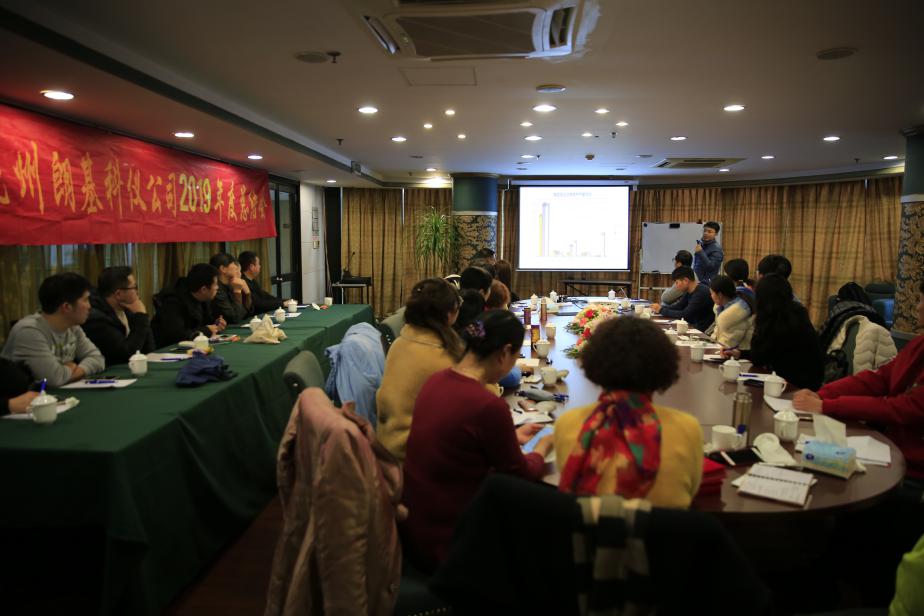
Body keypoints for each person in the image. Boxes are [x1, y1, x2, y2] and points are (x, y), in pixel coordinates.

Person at [402, 310, 552, 569]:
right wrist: (543, 446)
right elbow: (520, 474)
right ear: (505, 352)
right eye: (515, 357)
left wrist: (510, 438)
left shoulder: (436, 381)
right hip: (453, 541)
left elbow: (459, 448)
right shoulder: (487, 405)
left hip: (416, 527)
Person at [554, 317, 703, 507]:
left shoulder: (567, 423)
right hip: (661, 527)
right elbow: (692, 494)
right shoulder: (687, 428)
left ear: (594, 362)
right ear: (664, 366)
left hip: (584, 526)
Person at [793, 280, 924, 478]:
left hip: (913, 470)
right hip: (892, 450)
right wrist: (821, 394)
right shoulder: (919, 344)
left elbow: (902, 408)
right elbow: (879, 379)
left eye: (921, 301)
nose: (918, 307)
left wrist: (827, 406)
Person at [376, 278, 462, 461]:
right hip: (413, 454)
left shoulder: (399, 343)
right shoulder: (441, 356)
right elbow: (480, 396)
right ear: (448, 314)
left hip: (388, 443)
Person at [1, 273, 105, 387]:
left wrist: (74, 369)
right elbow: (53, 379)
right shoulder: (29, 331)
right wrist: (71, 369)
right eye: (85, 300)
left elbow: (97, 358)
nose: (89, 306)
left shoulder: (72, 327)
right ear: (67, 307)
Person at [723, 274, 823, 390]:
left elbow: (759, 357)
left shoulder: (777, 320)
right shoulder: (797, 313)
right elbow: (764, 353)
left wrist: (759, 323)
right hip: (808, 383)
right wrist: (740, 353)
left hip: (793, 386)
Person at [82, 266, 155, 365]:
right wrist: (141, 317)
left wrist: (142, 316)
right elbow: (126, 354)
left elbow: (149, 349)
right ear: (118, 294)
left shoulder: (127, 308)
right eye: (134, 287)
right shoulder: (96, 320)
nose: (137, 292)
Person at [151, 263, 226, 347]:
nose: (217, 287)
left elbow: (205, 322)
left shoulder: (202, 297)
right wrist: (206, 331)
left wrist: (216, 324)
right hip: (168, 348)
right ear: (204, 289)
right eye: (215, 284)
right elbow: (177, 334)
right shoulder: (173, 301)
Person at [651, 266, 715, 332]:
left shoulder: (701, 293)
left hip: (702, 331)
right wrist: (660, 308)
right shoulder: (689, 291)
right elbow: (678, 306)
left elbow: (684, 315)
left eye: (677, 282)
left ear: (685, 281)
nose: (676, 286)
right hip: (692, 327)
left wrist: (661, 310)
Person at [708, 275, 755, 350]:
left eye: (712, 293)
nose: (711, 296)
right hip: (723, 350)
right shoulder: (722, 307)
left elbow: (729, 343)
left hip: (738, 354)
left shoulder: (737, 313)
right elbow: (717, 334)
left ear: (720, 295)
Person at [209, 253, 251, 323]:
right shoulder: (216, 289)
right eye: (233, 263)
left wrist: (247, 293)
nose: (236, 266)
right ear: (223, 269)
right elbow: (234, 318)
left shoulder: (230, 285)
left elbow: (247, 312)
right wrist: (237, 291)